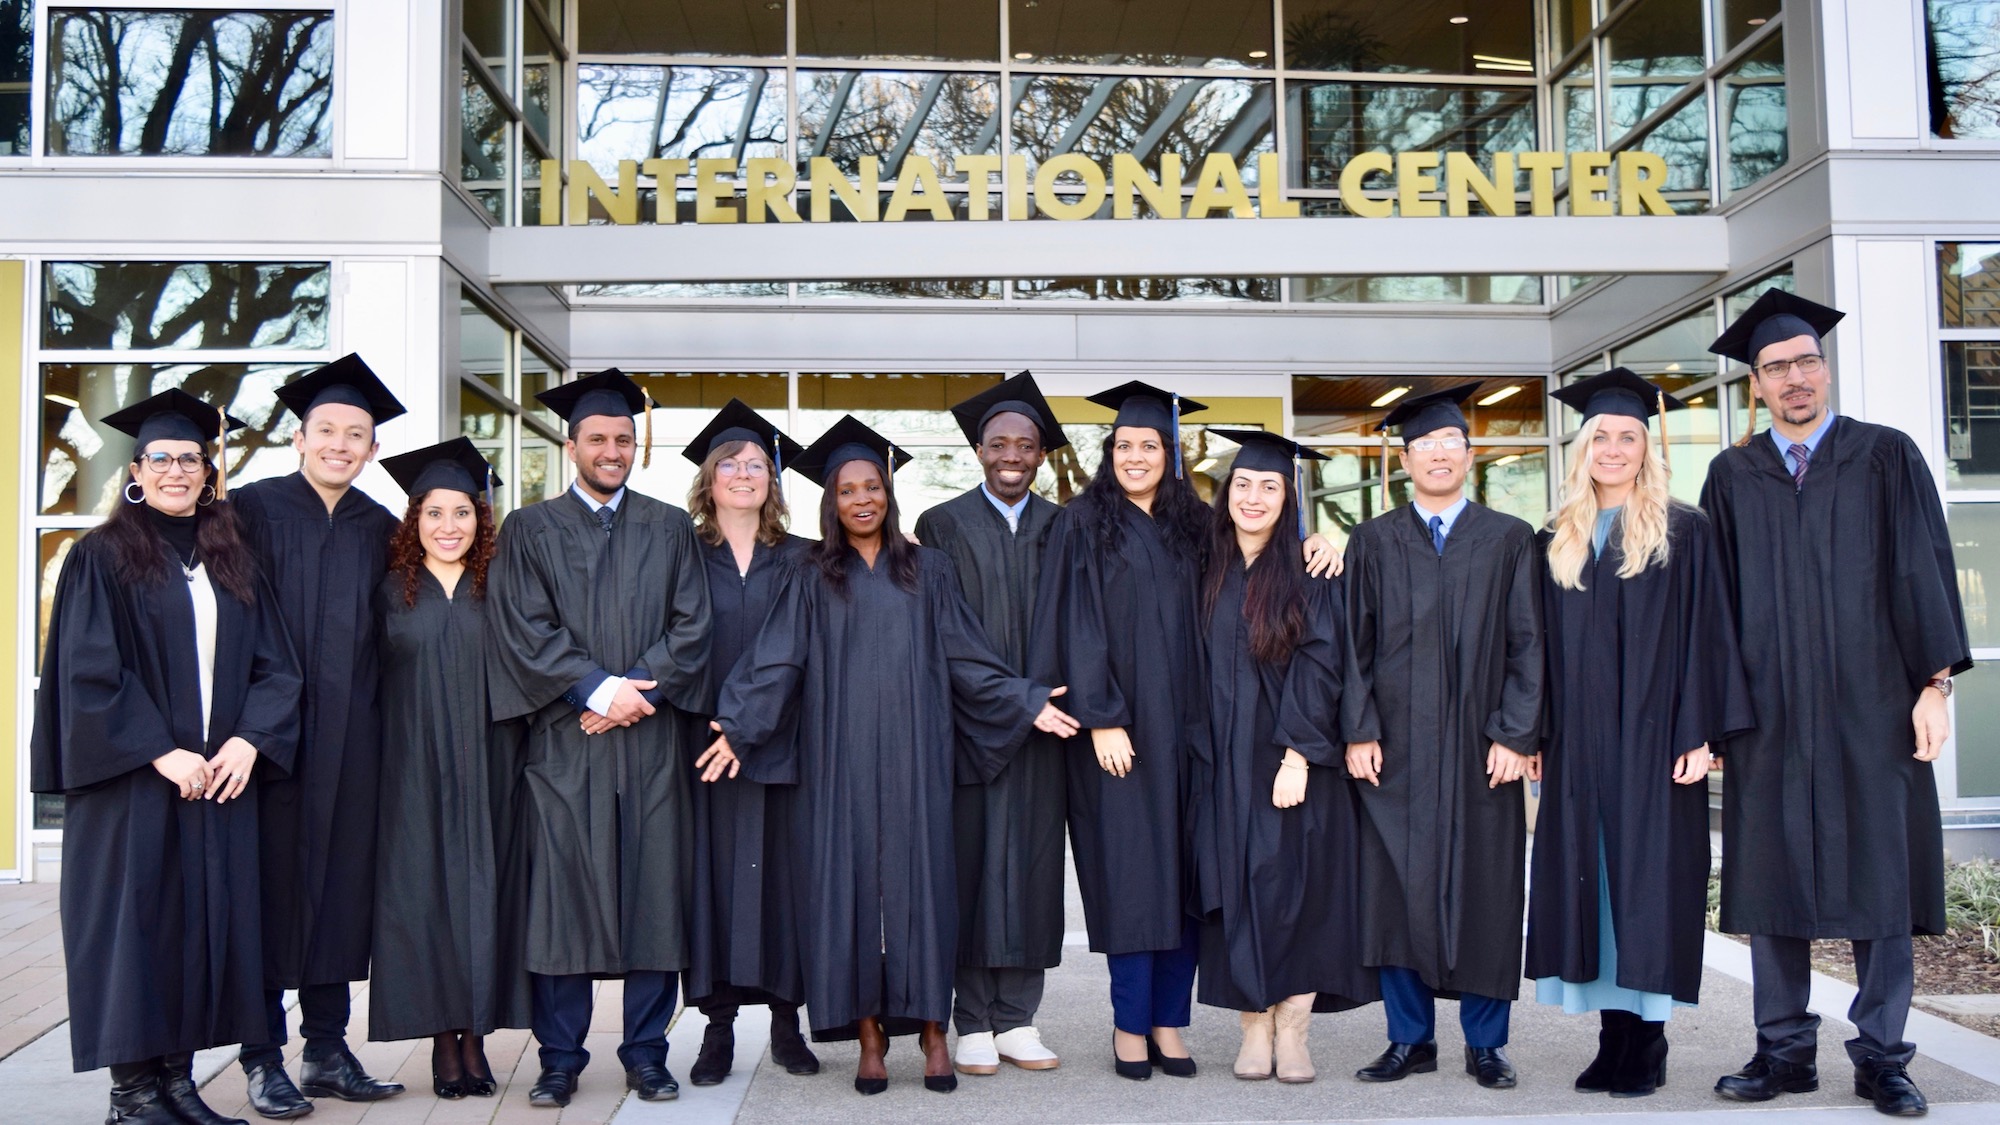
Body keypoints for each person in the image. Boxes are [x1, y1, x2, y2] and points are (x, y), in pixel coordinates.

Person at [703, 415, 1079, 1096]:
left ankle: (935, 1029)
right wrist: (738, 725)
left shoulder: (928, 569)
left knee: (925, 890)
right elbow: (779, 658)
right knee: (847, 894)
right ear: (832, 501)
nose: (862, 499)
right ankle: (870, 1034)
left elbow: (967, 654)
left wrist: (1024, 698)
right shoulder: (812, 574)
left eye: (872, 486)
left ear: (888, 493)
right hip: (837, 763)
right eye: (848, 490)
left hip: (916, 759)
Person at [1700, 292, 1971, 1117]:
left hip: (1874, 706)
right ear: (1757, 384)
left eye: (1807, 361)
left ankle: (1883, 1055)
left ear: (1826, 367)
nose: (1796, 378)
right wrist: (1714, 714)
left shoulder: (1886, 455)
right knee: (1771, 880)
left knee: (1881, 880)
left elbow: (1923, 567)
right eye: (1777, 367)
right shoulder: (1731, 473)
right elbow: (1714, 604)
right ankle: (1783, 1049)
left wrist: (1935, 683)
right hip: (1769, 714)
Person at [33, 390, 302, 1125]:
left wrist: (250, 739)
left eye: (190, 458)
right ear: (137, 468)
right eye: (162, 458)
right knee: (136, 931)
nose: (177, 470)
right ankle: (132, 1095)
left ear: (208, 471)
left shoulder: (231, 557)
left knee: (199, 930)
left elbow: (278, 667)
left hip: (219, 779)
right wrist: (161, 751)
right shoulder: (102, 556)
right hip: (136, 787)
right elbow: (91, 672)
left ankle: (178, 1086)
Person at [487, 368, 713, 1109]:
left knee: (653, 894)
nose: (611, 449)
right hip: (564, 745)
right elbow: (524, 628)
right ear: (571, 441)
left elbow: (693, 625)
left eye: (622, 438)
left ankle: (647, 1052)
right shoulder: (529, 528)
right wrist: (597, 688)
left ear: (635, 445)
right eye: (597, 438)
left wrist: (631, 692)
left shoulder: (669, 526)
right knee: (562, 901)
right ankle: (559, 1057)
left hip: (649, 748)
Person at [1526, 370, 1754, 1098]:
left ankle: (1647, 1042)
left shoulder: (1683, 530)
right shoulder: (1555, 538)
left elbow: (1709, 635)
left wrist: (1699, 734)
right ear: (1582, 447)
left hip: (1656, 742)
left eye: (1628, 436)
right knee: (1591, 884)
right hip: (1580, 748)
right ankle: (1611, 1037)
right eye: (1602, 436)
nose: (1614, 448)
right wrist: (1533, 731)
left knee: (1648, 886)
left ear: (1646, 448)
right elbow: (1532, 648)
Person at [1341, 383, 1544, 1090]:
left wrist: (1516, 733)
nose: (1437, 454)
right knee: (1395, 890)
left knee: (1486, 890)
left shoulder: (1510, 539)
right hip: (1393, 751)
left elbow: (1529, 646)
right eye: (1424, 444)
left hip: (1478, 751)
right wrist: (1358, 728)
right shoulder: (1371, 541)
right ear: (1403, 460)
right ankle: (1409, 1037)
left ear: (1470, 453)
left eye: (1450, 443)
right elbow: (1351, 649)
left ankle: (1485, 1042)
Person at [232, 354, 409, 1117]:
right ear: (300, 437)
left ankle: (328, 1048)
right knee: (266, 897)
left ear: (371, 449)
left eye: (356, 434)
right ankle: (261, 1054)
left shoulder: (384, 528)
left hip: (355, 746)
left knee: (339, 893)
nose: (341, 444)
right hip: (269, 747)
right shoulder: (249, 510)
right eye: (328, 430)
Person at [1030, 381, 1212, 1081]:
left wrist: (1315, 539)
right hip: (1121, 736)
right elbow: (1076, 624)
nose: (1136, 456)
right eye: (1125, 446)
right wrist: (1103, 717)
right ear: (1110, 453)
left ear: (1171, 452)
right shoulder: (1082, 523)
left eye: (1150, 445)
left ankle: (1171, 1021)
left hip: (1193, 732)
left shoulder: (1196, 523)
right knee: (1133, 879)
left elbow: (1257, 567)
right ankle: (1129, 1024)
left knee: (1187, 876)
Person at [1193, 429, 1378, 1086]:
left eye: (1269, 485)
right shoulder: (1204, 565)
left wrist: (1299, 753)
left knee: (1299, 889)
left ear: (1288, 496)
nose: (1253, 495)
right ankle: (1251, 1021)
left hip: (1290, 760)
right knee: (1233, 888)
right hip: (1221, 764)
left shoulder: (1311, 569)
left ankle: (1294, 1023)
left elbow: (1323, 661)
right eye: (1242, 483)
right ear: (1226, 492)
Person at [916, 373, 1071, 1075]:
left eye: (1027, 444)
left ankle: (1018, 1017)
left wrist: (1050, 698)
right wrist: (1015, 696)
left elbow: (1080, 623)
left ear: (1041, 454)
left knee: (1035, 866)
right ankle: (971, 1016)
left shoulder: (1062, 526)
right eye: (1000, 442)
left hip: (1048, 724)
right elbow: (947, 634)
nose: (1013, 454)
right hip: (970, 726)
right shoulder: (942, 525)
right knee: (973, 865)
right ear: (979, 449)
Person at [367, 438, 531, 1099]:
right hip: (411, 770)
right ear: (416, 519)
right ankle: (443, 1038)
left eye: (461, 511)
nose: (448, 525)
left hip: (491, 763)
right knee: (423, 901)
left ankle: (476, 1035)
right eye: (434, 512)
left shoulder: (500, 588)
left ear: (479, 517)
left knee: (484, 899)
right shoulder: (387, 593)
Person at [677, 400, 821, 1086]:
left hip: (785, 745)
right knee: (712, 889)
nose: (742, 473)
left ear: (774, 479)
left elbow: (806, 653)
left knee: (787, 888)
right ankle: (718, 1028)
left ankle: (789, 1021)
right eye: (729, 463)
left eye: (757, 464)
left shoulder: (805, 559)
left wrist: (752, 723)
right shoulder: (682, 553)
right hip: (702, 747)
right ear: (708, 478)